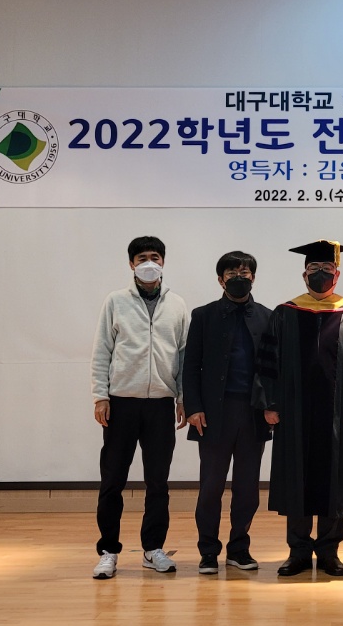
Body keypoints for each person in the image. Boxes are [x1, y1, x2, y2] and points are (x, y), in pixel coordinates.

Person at [256, 240, 343, 577]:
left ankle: (329, 552)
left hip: (337, 414)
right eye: (314, 269)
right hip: (292, 412)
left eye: (326, 269)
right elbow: (268, 363)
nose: (320, 274)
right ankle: (297, 551)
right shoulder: (285, 312)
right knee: (296, 478)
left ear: (337, 275)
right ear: (304, 274)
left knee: (334, 480)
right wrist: (270, 404)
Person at [90, 235, 190, 580]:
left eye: (155, 257)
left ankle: (153, 549)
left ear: (163, 262)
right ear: (132, 264)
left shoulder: (177, 304)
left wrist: (182, 398)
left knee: (158, 483)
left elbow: (183, 355)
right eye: (143, 257)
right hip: (121, 404)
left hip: (160, 404)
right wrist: (100, 395)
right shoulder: (116, 301)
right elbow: (102, 350)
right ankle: (108, 551)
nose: (150, 262)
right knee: (112, 481)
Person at [182, 250, 273, 576]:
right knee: (211, 487)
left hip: (253, 415)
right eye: (232, 273)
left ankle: (239, 548)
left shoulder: (267, 317)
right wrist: (194, 407)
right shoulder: (203, 316)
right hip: (213, 415)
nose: (239, 277)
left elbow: (273, 369)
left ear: (253, 277)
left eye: (244, 272)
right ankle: (208, 551)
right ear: (221, 280)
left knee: (248, 489)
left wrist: (272, 406)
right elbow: (190, 365)